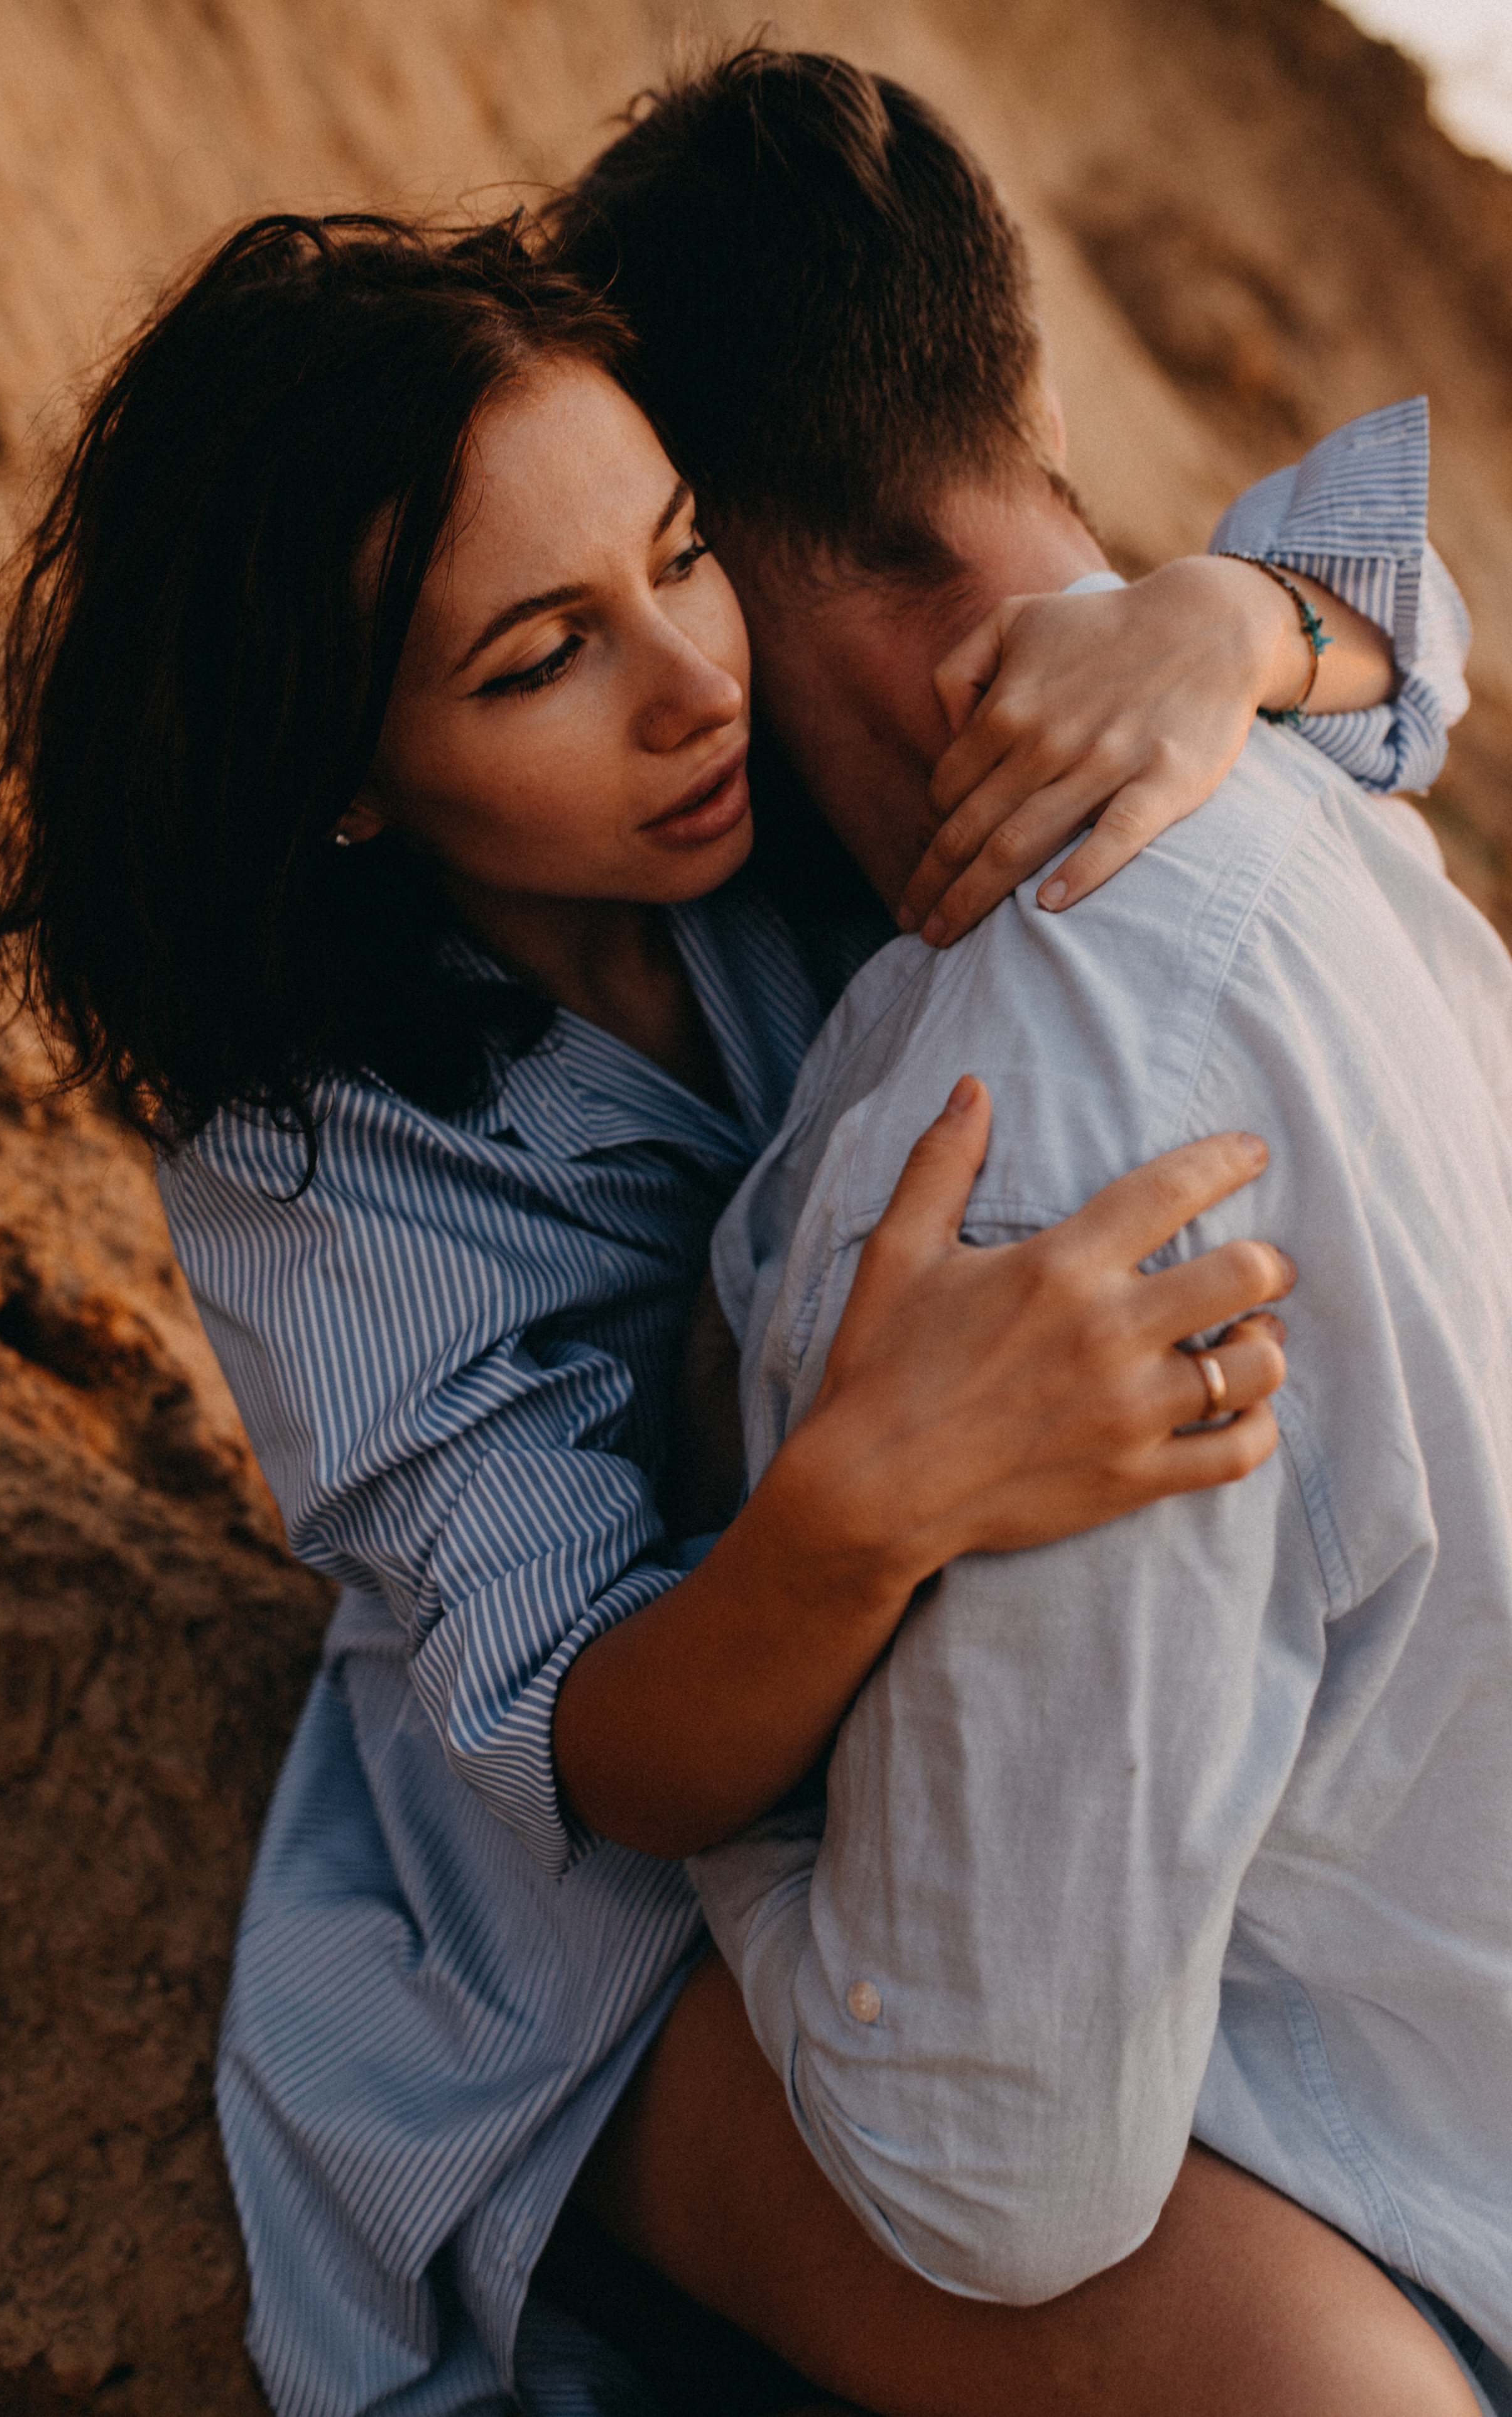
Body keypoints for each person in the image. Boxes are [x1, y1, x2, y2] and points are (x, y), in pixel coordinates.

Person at [0, 209, 1469, 2417]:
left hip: (947, 1714)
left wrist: (1227, 623)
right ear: (350, 782)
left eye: (680, 550)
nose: (692, 679)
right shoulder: (313, 1151)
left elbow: (1406, 606)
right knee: (1335, 2393)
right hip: (596, 1904)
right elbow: (599, 1748)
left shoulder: (779, 789)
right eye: (539, 657)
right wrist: (857, 1507)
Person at [559, 46, 1512, 2414]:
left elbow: (984, 2167)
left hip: (1401, 2231)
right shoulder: (1325, 810)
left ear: (721, 555)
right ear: (1028, 391)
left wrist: (741, 1831)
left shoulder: (1024, 1143)